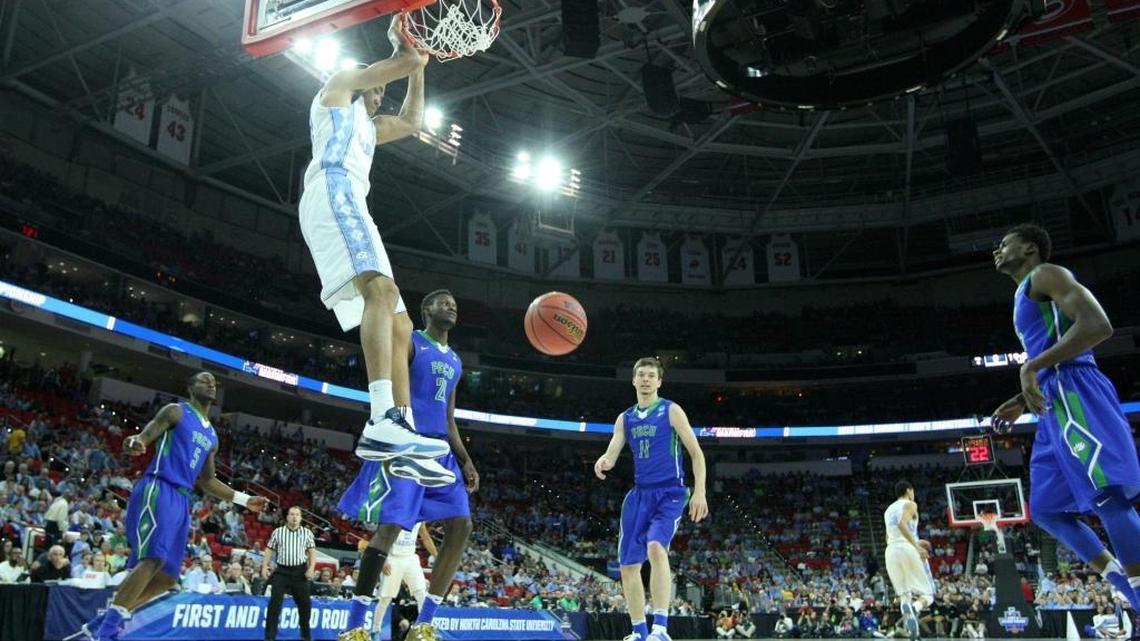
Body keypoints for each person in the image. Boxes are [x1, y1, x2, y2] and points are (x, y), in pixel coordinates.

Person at [297, 12, 448, 474]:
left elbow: (412, 121)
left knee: (402, 326)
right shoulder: (338, 90)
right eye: (376, 84)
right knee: (380, 292)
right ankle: (382, 416)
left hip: (355, 205)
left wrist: (418, 67)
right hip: (333, 190)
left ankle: (401, 433)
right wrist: (405, 45)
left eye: (381, 89)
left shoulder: (371, 127)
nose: (378, 92)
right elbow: (393, 66)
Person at [989, 223, 1140, 609]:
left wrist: (1031, 368)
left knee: (1108, 496)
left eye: (1004, 243)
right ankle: (1125, 586)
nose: (997, 249)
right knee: (1047, 510)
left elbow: (1098, 325)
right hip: (1052, 402)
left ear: (1029, 248)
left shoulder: (1046, 274)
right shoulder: (1024, 293)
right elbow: (1051, 352)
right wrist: (1024, 397)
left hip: (1077, 391)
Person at [78, 372, 268, 641]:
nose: (211, 383)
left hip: (182, 499)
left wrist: (244, 500)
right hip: (159, 487)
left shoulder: (211, 435)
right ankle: (106, 631)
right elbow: (146, 435)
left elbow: (208, 481)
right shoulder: (176, 411)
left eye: (214, 381)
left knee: (167, 578)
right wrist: (136, 443)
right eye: (204, 380)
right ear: (190, 387)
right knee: (152, 559)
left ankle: (106, 619)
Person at [338, 290, 479, 641]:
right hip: (408, 446)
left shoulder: (457, 361)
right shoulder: (412, 341)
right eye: (443, 301)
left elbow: (449, 418)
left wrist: (465, 459)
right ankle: (355, 624)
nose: (451, 305)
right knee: (389, 530)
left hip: (440, 450)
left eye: (454, 302)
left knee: (462, 525)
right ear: (426, 310)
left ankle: (425, 622)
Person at [594, 357, 709, 641]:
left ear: (659, 381)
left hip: (670, 492)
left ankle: (660, 628)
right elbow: (612, 450)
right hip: (639, 495)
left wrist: (700, 492)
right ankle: (638, 631)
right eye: (641, 375)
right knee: (628, 566)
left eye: (651, 375)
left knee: (657, 548)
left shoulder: (671, 411)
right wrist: (604, 461)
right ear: (633, 380)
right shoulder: (626, 418)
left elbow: (697, 454)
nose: (645, 379)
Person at [883, 481, 932, 641]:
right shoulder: (910, 504)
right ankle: (915, 607)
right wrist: (916, 547)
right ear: (908, 490)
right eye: (913, 491)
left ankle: (914, 634)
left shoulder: (888, 510)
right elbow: (902, 524)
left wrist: (915, 542)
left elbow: (889, 536)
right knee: (928, 594)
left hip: (891, 551)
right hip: (907, 548)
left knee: (904, 594)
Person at [371, 523, 438, 639]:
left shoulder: (419, 516)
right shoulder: (397, 512)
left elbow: (426, 538)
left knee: (422, 593)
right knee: (385, 599)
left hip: (410, 557)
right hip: (393, 558)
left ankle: (425, 629)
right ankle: (375, 631)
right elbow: (382, 536)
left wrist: (437, 556)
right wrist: (383, 558)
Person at [263, 506, 317, 641]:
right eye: (292, 514)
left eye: (297, 515)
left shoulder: (307, 533)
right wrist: (264, 566)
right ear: (287, 517)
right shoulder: (278, 532)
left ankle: (306, 636)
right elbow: (269, 549)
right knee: (274, 603)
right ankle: (270, 637)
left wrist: (311, 568)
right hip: (282, 571)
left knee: (305, 604)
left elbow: (312, 552)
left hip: (300, 571)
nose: (294, 517)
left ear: (300, 517)